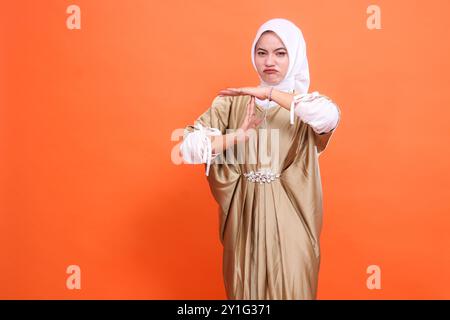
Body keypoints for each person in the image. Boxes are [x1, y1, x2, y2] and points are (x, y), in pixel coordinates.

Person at [179, 18, 341, 300]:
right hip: (245, 221)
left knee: (292, 288)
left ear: (295, 55)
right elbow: (187, 149)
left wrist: (268, 93)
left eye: (281, 53)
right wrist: (235, 137)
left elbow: (329, 117)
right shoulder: (231, 103)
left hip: (293, 220)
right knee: (246, 293)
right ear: (253, 55)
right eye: (262, 52)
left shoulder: (304, 106)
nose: (270, 61)